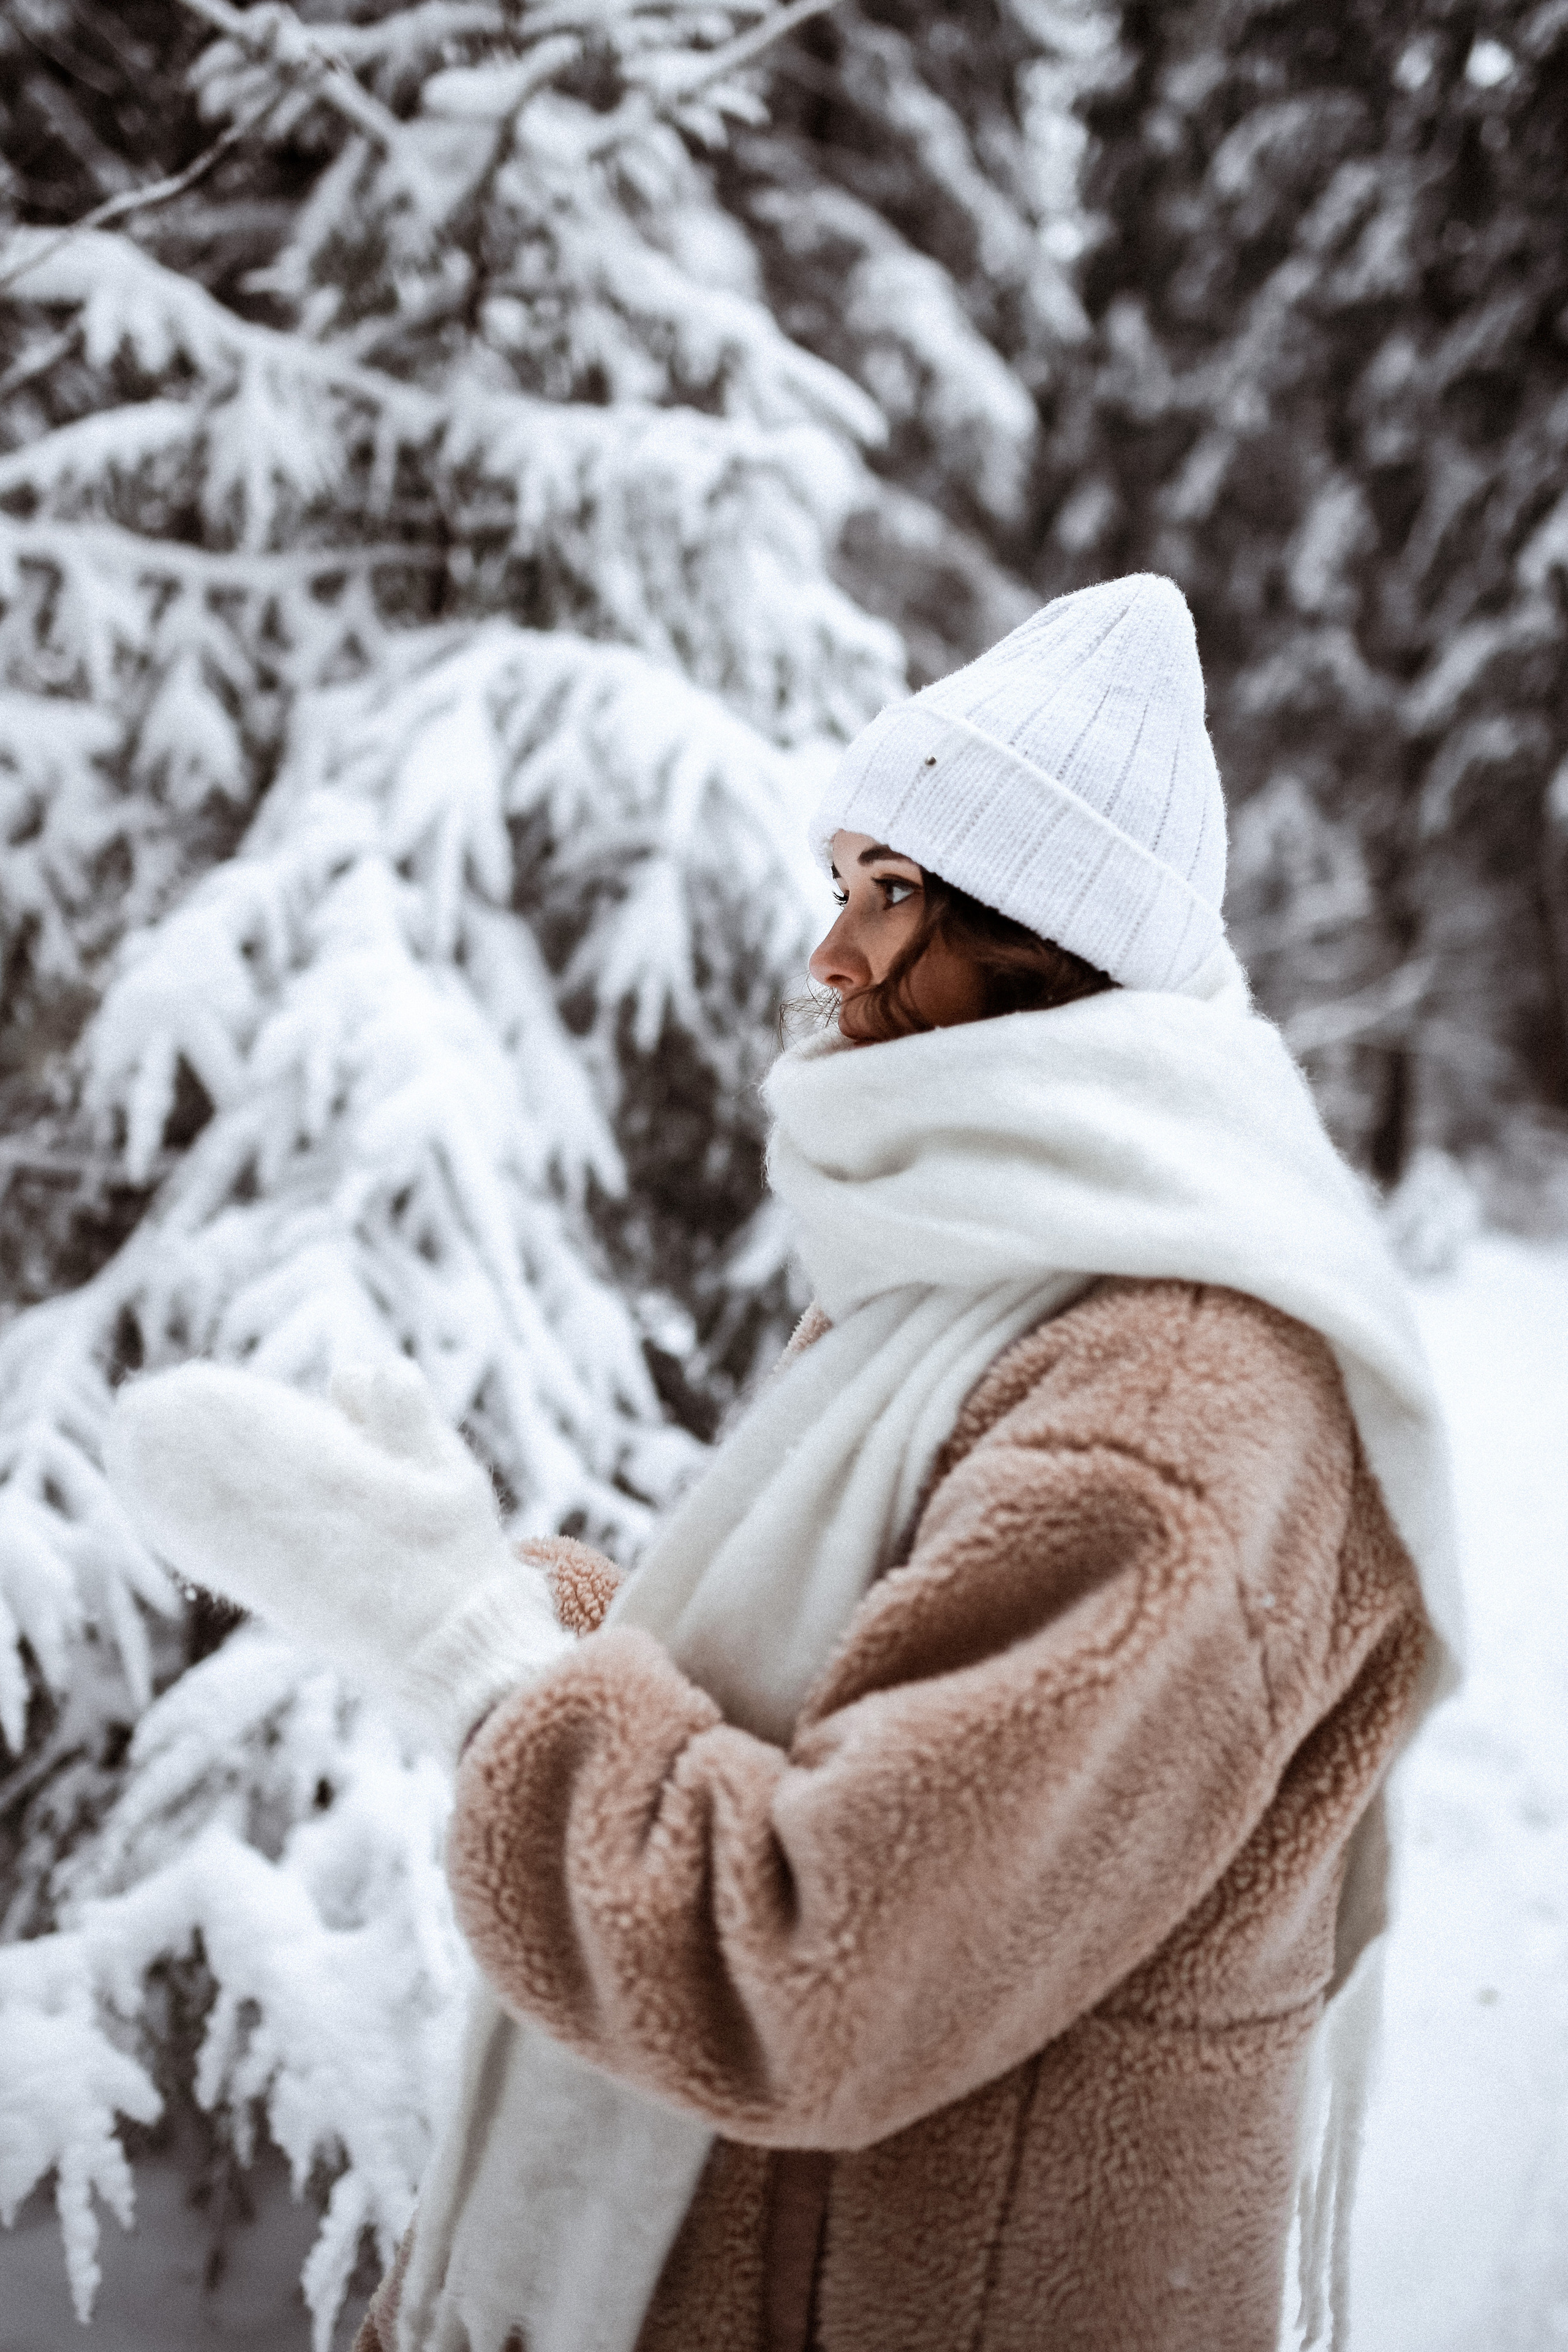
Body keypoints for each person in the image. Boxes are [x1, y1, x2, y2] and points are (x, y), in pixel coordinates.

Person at [107, 574, 1460, 2352]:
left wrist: (471, 1652)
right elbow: (850, 1706)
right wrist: (493, 1587)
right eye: (842, 886)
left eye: (892, 895)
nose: (833, 957)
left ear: (1048, 937)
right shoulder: (1031, 1274)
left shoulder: (1173, 1402)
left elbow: (810, 1972)